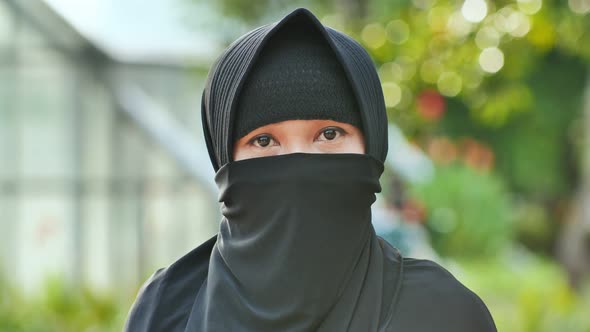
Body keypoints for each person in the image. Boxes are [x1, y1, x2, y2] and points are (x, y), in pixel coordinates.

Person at [124, 8, 497, 332]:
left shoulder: (443, 315)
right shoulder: (166, 309)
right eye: (264, 141)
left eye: (329, 134)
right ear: (224, 159)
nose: (299, 163)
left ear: (373, 147)